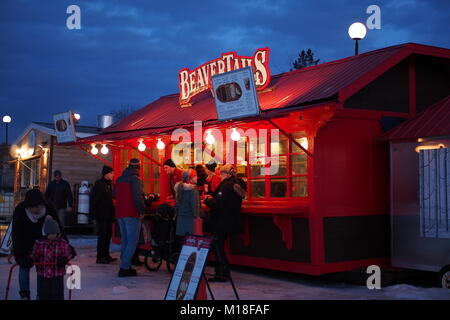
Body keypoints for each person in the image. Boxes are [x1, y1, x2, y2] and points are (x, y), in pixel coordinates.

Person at [12, 189, 74, 300]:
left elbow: (58, 227)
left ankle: (41, 295)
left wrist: (67, 250)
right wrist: (19, 254)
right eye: (33, 207)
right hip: (25, 243)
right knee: (24, 267)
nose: (36, 210)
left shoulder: (48, 208)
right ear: (28, 206)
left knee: (43, 269)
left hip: (43, 244)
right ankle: (24, 294)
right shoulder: (20, 210)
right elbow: (16, 234)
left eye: (38, 206)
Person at [204, 164, 246, 282]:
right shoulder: (237, 184)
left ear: (226, 174)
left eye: (221, 174)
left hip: (221, 221)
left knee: (218, 247)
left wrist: (207, 201)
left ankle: (221, 274)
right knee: (220, 246)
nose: (220, 176)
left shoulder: (225, 186)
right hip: (231, 221)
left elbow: (218, 204)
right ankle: (224, 272)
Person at [114, 158, 145, 277]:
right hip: (131, 213)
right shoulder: (135, 180)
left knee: (125, 240)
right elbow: (138, 198)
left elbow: (114, 195)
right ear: (138, 168)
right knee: (132, 241)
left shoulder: (119, 179)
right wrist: (142, 210)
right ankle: (125, 266)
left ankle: (125, 264)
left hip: (120, 213)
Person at [29, 219, 73, 300]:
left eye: (54, 233)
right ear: (46, 233)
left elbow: (68, 253)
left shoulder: (62, 243)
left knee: (57, 294)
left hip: (57, 273)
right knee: (44, 294)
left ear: (57, 233)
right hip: (43, 273)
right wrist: (33, 258)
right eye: (50, 234)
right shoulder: (40, 243)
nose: (52, 236)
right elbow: (33, 255)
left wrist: (64, 260)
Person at [90, 165, 117, 264]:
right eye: (111, 173)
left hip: (108, 215)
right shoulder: (99, 184)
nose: (113, 175)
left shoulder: (109, 184)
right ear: (106, 174)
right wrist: (94, 215)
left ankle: (106, 254)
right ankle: (100, 256)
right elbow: (94, 200)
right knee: (102, 235)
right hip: (101, 215)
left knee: (107, 235)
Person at [174, 169, 201, 238]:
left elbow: (176, 206)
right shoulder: (193, 190)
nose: (196, 177)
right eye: (195, 176)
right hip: (191, 222)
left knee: (181, 243)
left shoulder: (179, 188)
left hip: (181, 221)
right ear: (190, 178)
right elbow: (195, 209)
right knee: (191, 244)